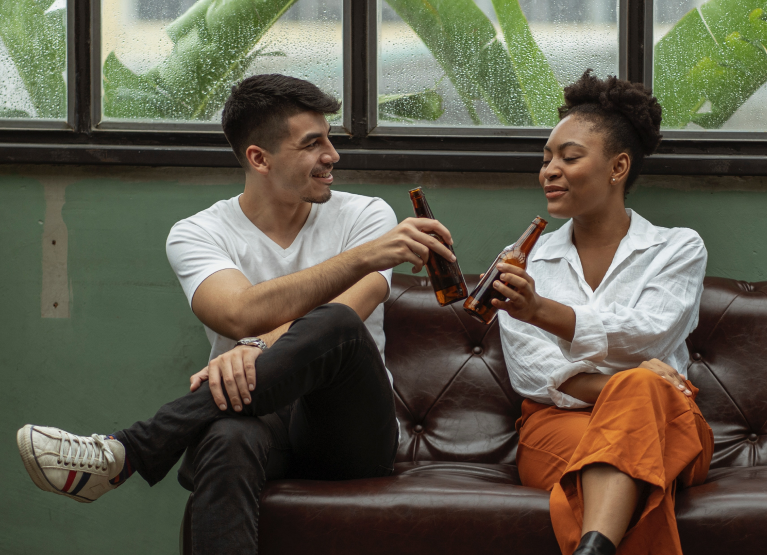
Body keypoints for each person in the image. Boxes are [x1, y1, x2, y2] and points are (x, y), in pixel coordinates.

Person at [16, 74, 458, 554]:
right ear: (259, 158)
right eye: (313, 144)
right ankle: (128, 455)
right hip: (254, 412)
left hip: (349, 428)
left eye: (329, 140)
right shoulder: (198, 233)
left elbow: (349, 308)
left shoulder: (367, 216)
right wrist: (363, 257)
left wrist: (257, 347)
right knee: (227, 438)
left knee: (338, 324)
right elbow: (237, 313)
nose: (332, 156)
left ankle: (130, 450)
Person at [492, 70, 713, 555]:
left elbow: (649, 336)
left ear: (617, 168)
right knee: (638, 439)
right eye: (547, 157)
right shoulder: (521, 260)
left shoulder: (676, 248)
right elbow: (536, 373)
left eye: (569, 157)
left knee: (640, 398)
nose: (549, 169)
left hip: (670, 419)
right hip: (560, 428)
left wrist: (540, 309)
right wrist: (638, 382)